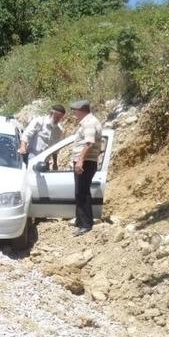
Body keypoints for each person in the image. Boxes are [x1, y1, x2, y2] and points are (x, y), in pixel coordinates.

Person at [69, 100, 102, 237]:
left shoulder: (89, 123)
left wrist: (80, 160)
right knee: (80, 192)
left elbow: (89, 144)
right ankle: (80, 221)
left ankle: (86, 225)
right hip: (87, 161)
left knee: (82, 193)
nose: (74, 114)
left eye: (75, 111)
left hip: (86, 162)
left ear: (81, 110)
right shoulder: (89, 121)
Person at [18, 104, 65, 170]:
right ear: (51, 113)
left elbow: (55, 147)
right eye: (57, 117)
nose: (58, 120)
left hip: (45, 160)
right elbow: (26, 135)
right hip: (33, 156)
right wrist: (23, 147)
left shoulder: (58, 130)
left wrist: (55, 163)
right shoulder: (39, 122)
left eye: (60, 118)